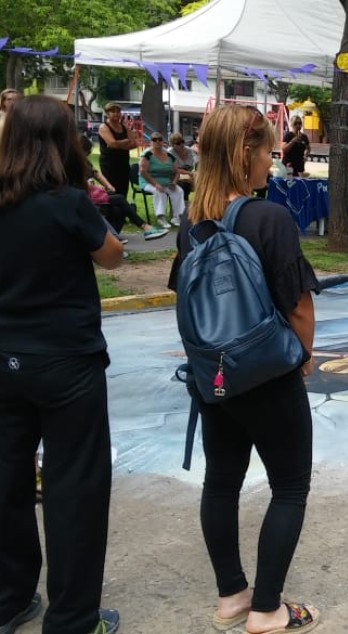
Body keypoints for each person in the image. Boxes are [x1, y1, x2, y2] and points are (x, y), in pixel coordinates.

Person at [167, 105, 320, 634]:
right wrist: (302, 356)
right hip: (268, 374)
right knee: (290, 487)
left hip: (216, 377)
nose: (271, 161)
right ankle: (268, 610)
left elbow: (183, 300)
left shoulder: (193, 223)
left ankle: (233, 595)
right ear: (244, 153)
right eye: (267, 151)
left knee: (222, 483)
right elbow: (298, 304)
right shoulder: (269, 218)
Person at [0, 94, 124, 634]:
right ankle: (72, 618)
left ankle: (9, 598)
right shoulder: (69, 202)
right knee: (75, 486)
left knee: (6, 484)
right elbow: (114, 254)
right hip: (68, 362)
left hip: (5, 360)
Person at [79, 136, 168, 241]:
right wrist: (90, 185)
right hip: (85, 197)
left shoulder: (84, 161)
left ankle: (113, 238)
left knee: (119, 209)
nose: (88, 155)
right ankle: (145, 227)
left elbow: (96, 173)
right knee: (120, 199)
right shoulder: (72, 163)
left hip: (93, 195)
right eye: (86, 152)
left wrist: (108, 186)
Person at [139, 132, 186, 228]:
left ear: (162, 141)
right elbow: (143, 171)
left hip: (166, 182)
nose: (157, 141)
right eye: (154, 139)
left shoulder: (169, 155)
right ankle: (161, 217)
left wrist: (174, 182)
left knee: (178, 191)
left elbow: (176, 171)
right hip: (148, 181)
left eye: (159, 139)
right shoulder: (147, 154)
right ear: (150, 142)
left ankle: (177, 217)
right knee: (160, 192)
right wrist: (155, 184)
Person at [97, 102, 138, 199]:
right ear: (107, 113)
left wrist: (118, 144)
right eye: (113, 111)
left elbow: (134, 144)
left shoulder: (124, 127)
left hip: (123, 163)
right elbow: (112, 143)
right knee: (112, 190)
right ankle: (111, 213)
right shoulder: (104, 127)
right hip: (109, 164)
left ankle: (122, 212)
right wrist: (125, 141)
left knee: (123, 190)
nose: (116, 114)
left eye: (118, 111)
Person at [168, 132, 198, 201]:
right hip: (174, 177)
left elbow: (195, 163)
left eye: (182, 141)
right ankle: (181, 208)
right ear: (172, 145)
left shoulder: (189, 150)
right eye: (178, 143)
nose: (181, 144)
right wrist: (190, 173)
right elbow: (175, 170)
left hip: (189, 176)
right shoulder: (170, 153)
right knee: (183, 185)